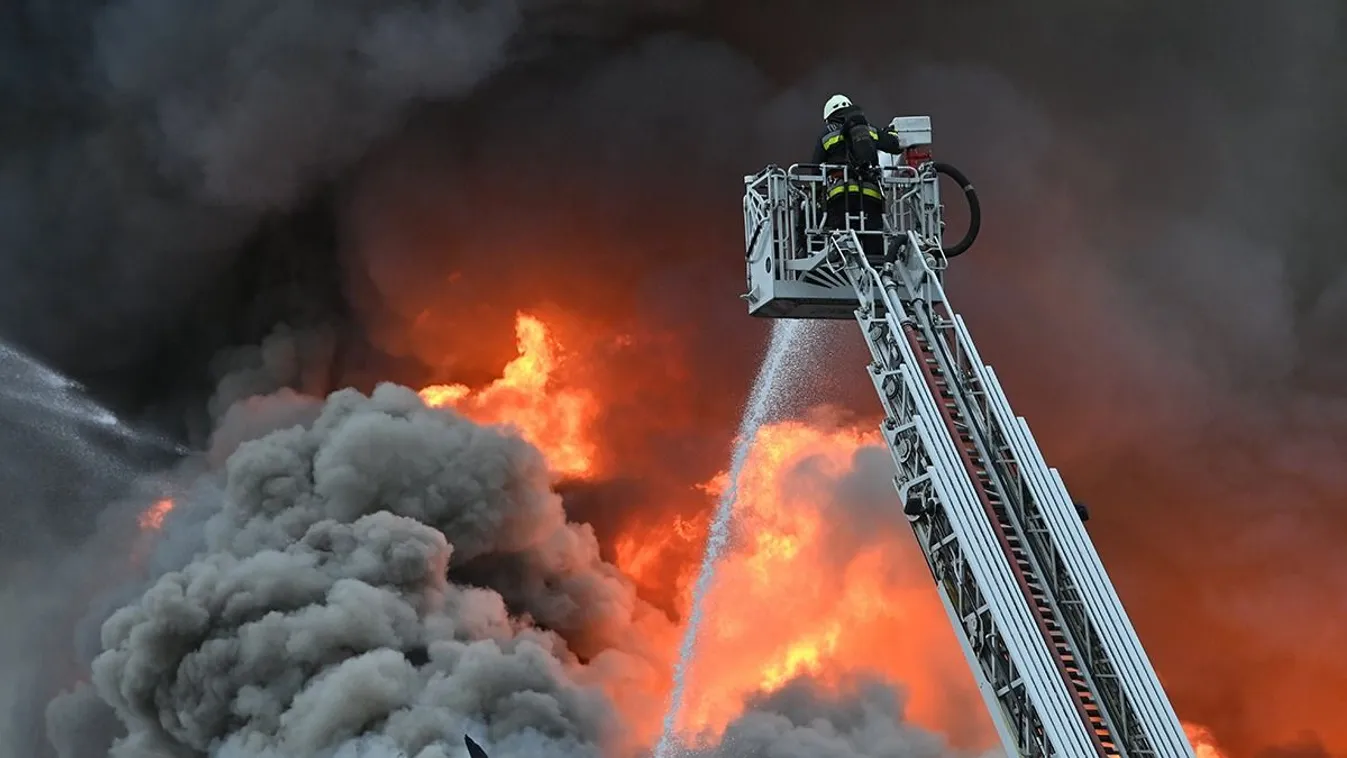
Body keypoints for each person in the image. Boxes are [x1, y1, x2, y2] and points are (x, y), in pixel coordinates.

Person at [810, 94, 905, 256]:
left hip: (840, 197)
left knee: (843, 246)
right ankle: (879, 270)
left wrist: (817, 197)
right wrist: (891, 133)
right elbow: (895, 145)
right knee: (873, 244)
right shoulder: (867, 130)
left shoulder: (826, 134)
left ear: (829, 117)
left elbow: (815, 170)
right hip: (870, 197)